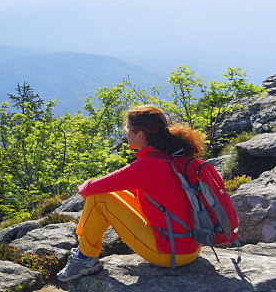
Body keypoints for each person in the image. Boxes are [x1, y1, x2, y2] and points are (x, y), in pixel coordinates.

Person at [57, 104, 205, 282]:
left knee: (99, 198)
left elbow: (89, 189)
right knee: (111, 193)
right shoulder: (173, 155)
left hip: (169, 252)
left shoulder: (146, 166)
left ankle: (84, 258)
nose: (125, 134)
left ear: (140, 135)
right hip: (189, 245)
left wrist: (86, 188)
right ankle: (84, 252)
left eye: (127, 130)